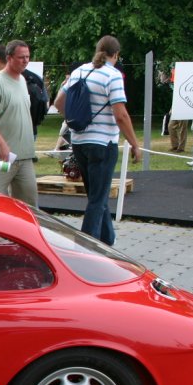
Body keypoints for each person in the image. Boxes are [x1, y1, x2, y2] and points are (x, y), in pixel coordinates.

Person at [55, 35, 140, 246]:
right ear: (116, 55)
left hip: (79, 142)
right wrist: (135, 144)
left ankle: (108, 240)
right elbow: (121, 115)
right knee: (97, 199)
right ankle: (85, 248)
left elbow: (58, 102)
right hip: (103, 143)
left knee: (96, 195)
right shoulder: (113, 75)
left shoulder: (79, 71)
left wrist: (76, 119)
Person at [0, 41, 38, 206]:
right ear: (9, 58)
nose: (25, 61)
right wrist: (2, 145)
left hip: (23, 157)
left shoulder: (22, 80)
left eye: (28, 57)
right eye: (21, 57)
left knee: (29, 206)